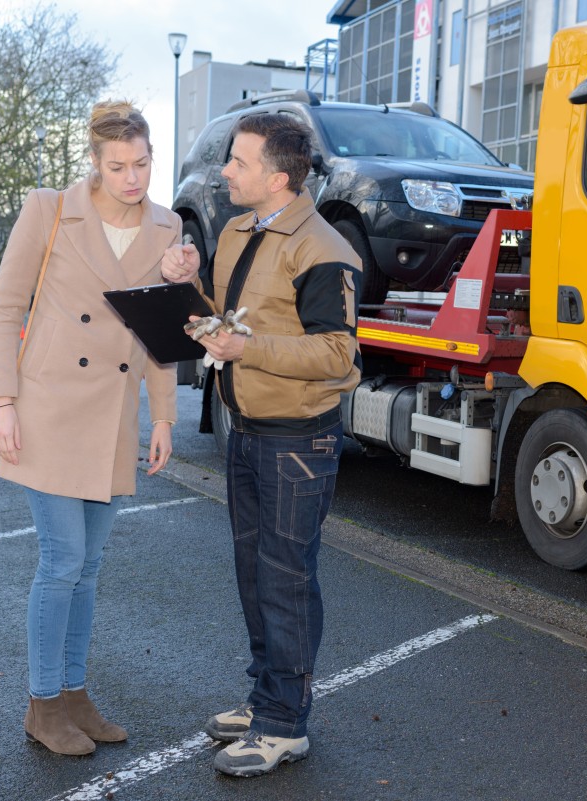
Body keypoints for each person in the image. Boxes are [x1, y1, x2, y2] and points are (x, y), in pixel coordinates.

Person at [161, 113, 361, 778]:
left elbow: (338, 353)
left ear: (278, 177)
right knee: (256, 576)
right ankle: (266, 698)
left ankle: (285, 726)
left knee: (286, 581)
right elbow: (220, 322)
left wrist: (248, 348)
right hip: (245, 434)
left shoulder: (323, 247)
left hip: (297, 443)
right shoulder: (242, 230)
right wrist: (185, 278)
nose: (224, 172)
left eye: (238, 162)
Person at [0, 100, 180, 756]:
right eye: (118, 165)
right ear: (94, 164)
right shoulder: (49, 209)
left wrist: (165, 414)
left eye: (143, 162)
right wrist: (2, 398)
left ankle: (73, 694)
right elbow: (6, 306)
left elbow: (161, 326)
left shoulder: (166, 227)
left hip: (113, 415)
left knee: (90, 565)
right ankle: (42, 703)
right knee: (62, 556)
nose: (133, 177)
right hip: (46, 408)